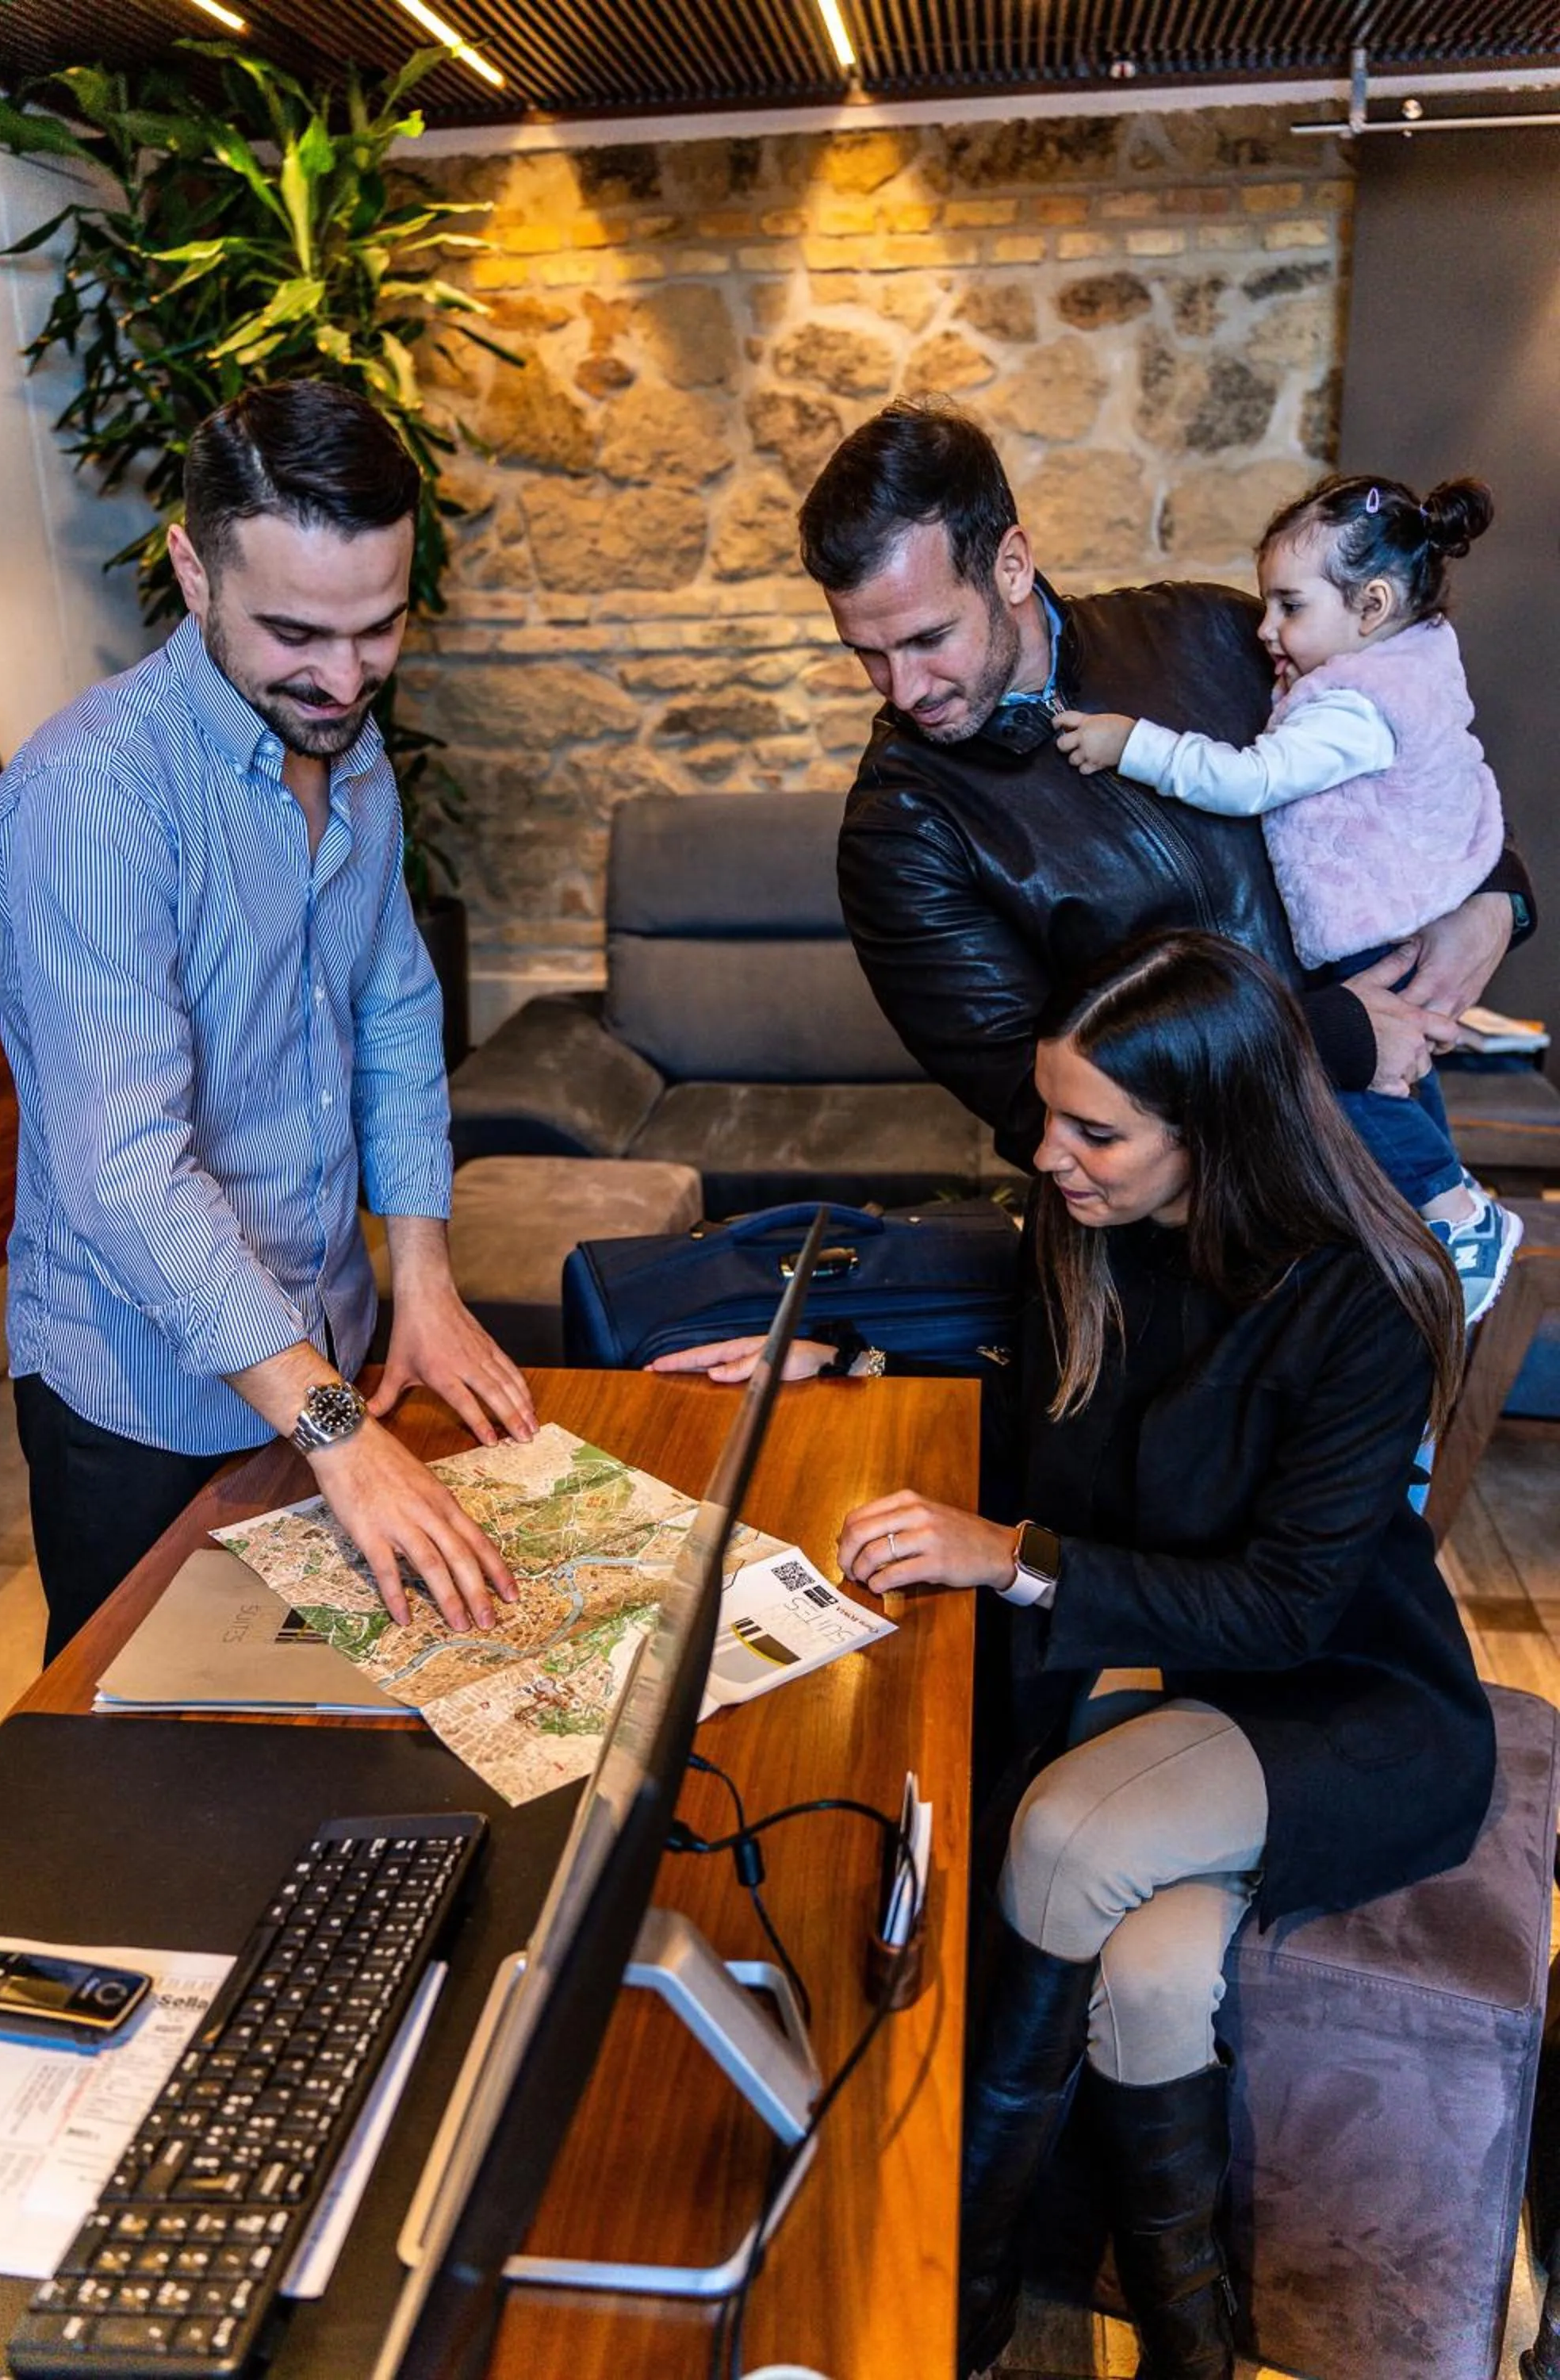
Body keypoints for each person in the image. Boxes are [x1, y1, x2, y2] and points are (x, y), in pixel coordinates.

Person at [663, 932, 1493, 2379]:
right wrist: (849, 1357)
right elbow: (1041, 1384)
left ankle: (950, 2287)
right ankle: (1193, 2348)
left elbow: (1288, 1610)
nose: (1049, 1154)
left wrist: (1015, 1556)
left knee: (1052, 1834)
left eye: (1092, 1129)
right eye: (1050, 1114)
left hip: (1347, 1699)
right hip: (1183, 1678)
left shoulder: (1363, 1291)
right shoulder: (1098, 1226)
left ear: (1217, 1130)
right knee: (1159, 1976)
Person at [0, 380, 538, 1664]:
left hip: (328, 1344)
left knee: (321, 1739)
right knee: (147, 1776)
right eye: (297, 632)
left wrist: (427, 1281)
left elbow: (393, 1009)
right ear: (194, 567)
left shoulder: (350, 748)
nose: (345, 680)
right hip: (142, 1399)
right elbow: (125, 1171)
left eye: (379, 629)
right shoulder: (88, 798)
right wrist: (336, 1429)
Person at [800, 402, 1535, 1227]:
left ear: (1010, 566)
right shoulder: (897, 832)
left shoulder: (1208, 630)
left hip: (1385, 1176)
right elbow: (1037, 1104)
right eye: (866, 651)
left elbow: (1406, 751)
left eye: (927, 637)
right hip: (1195, 1258)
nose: (902, 690)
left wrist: (1493, 900)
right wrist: (1322, 1037)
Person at [1052, 470, 1520, 1320]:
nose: (1263, 628)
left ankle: (1459, 1220)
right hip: (1399, 914)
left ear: (1371, 606)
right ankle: (1443, 1221)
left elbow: (1249, 781)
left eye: (1289, 606)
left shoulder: (1351, 705)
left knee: (1342, 1089)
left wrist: (1132, 745)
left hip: (1367, 930)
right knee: (1397, 1094)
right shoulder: (1410, 668)